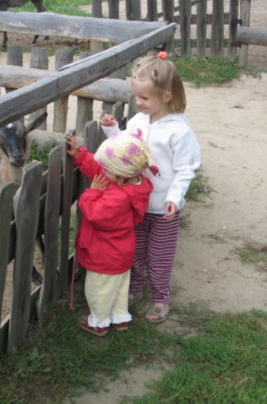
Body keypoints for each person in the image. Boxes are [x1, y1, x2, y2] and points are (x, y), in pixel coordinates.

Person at [100, 51, 201, 324]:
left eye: (145, 98)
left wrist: (174, 198)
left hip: (163, 209)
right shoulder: (137, 122)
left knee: (159, 257)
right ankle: (135, 286)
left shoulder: (179, 131)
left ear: (166, 96)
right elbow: (126, 149)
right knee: (134, 249)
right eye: (137, 96)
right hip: (136, 203)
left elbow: (186, 168)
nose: (138, 102)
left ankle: (160, 296)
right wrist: (112, 131)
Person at [67, 130, 156, 336]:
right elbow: (100, 168)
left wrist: (92, 193)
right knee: (118, 288)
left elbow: (94, 214)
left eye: (108, 168)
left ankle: (98, 323)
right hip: (120, 253)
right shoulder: (131, 183)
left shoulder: (118, 198)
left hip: (104, 254)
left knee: (99, 290)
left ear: (119, 174)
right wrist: (80, 156)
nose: (103, 170)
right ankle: (119, 318)